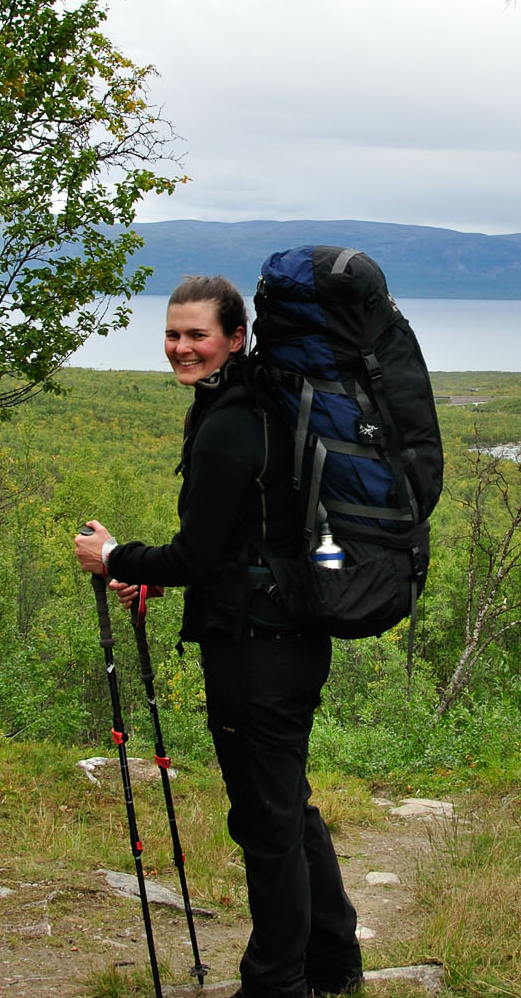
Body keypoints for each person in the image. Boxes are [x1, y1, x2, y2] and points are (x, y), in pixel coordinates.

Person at [74, 275, 364, 998]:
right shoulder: (261, 408)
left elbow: (197, 552)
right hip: (289, 636)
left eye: (197, 334)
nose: (181, 347)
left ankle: (276, 983)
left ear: (237, 337)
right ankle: (332, 960)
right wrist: (159, 577)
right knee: (285, 806)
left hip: (255, 652)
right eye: (173, 333)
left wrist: (116, 558)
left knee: (266, 823)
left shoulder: (232, 421)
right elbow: (241, 542)